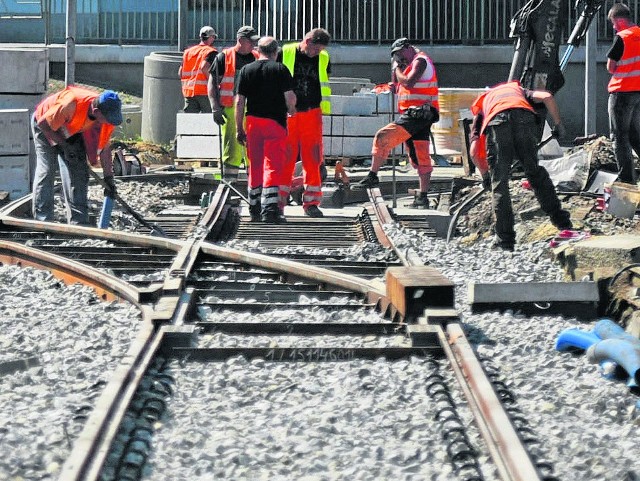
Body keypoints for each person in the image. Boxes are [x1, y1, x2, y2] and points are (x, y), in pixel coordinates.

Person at [468, 80, 573, 252]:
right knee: (534, 173)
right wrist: (558, 124)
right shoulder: (520, 91)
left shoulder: (483, 104)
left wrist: (486, 176)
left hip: (497, 124)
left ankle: (505, 242)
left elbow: (473, 151)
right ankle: (563, 222)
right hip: (524, 119)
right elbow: (547, 96)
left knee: (499, 185)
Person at [352, 38, 439, 209]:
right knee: (419, 155)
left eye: (400, 54)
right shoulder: (412, 63)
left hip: (418, 113)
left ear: (408, 48)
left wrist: (397, 69)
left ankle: (373, 175)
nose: (400, 58)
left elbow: (408, 81)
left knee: (382, 137)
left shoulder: (419, 61)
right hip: (421, 114)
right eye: (397, 56)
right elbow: (405, 86)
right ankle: (423, 196)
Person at [32, 86, 122, 225]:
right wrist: (66, 146)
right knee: (47, 170)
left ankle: (78, 223)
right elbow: (43, 124)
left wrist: (109, 177)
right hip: (45, 126)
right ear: (96, 111)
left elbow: (104, 148)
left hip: (72, 129)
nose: (109, 121)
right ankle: (42, 221)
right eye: (107, 118)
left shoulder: (105, 118)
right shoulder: (71, 104)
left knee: (79, 172)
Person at [235, 36, 296, 223]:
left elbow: (239, 102)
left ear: (258, 50)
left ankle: (254, 207)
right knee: (273, 165)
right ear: (275, 52)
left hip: (253, 122)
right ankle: (270, 210)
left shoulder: (246, 70)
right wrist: (292, 111)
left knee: (255, 165)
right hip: (274, 123)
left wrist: (239, 128)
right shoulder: (280, 69)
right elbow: (290, 97)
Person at [278, 28, 332, 218]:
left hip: (312, 113)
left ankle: (311, 202)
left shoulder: (323, 57)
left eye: (320, 50)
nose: (317, 53)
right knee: (286, 157)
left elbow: (324, 81)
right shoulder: (285, 52)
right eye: (316, 49)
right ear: (307, 41)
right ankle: (279, 202)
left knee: (313, 159)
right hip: (289, 113)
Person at [208, 26, 259, 181]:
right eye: (251, 41)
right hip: (230, 110)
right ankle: (229, 189)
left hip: (252, 111)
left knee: (253, 152)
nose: (253, 45)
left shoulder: (257, 57)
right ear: (240, 40)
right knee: (232, 151)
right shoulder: (225, 57)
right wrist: (215, 108)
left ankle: (255, 190)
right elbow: (212, 83)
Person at [606, 3, 640, 185]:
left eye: (613, 22)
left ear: (619, 20)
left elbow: (611, 67)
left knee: (620, 138)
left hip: (621, 93)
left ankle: (626, 180)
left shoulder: (622, 37)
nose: (612, 27)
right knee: (636, 136)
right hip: (638, 92)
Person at [179, 26, 218, 113]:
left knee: (190, 122)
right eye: (214, 37)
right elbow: (204, 67)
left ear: (200, 37)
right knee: (208, 120)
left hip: (189, 92)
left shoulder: (188, 52)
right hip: (204, 92)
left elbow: (180, 72)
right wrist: (213, 83)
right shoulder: (211, 51)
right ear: (211, 37)